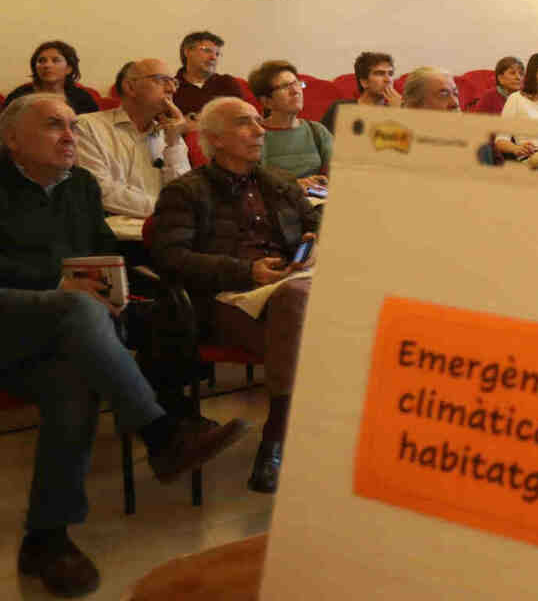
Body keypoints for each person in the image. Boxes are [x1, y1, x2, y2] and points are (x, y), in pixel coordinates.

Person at [0, 94, 247, 598]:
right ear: (12, 140)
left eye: (73, 126)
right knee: (78, 309)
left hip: (62, 331)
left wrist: (109, 285)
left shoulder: (81, 185)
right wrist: (62, 284)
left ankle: (47, 539)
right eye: (54, 126)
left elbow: (101, 249)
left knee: (75, 382)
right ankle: (160, 431)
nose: (70, 136)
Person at [151, 97, 321, 495]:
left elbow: (317, 221)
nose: (260, 131)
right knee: (302, 305)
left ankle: (282, 439)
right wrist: (247, 271)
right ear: (215, 139)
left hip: (289, 287)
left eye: (259, 122)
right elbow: (171, 258)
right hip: (228, 296)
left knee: (310, 298)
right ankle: (277, 439)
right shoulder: (185, 191)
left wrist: (313, 240)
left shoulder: (279, 183)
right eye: (246, 123)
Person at [73, 58, 190, 217]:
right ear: (130, 87)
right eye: (162, 80)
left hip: (163, 226)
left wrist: (174, 143)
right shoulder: (88, 126)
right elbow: (101, 191)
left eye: (174, 82)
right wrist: (165, 210)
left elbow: (183, 194)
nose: (172, 89)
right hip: (111, 228)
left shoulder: (170, 134)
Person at [249, 61, 332, 191]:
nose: (295, 91)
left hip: (317, 198)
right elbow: (251, 183)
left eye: (296, 83)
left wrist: (326, 180)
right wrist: (294, 185)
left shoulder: (317, 131)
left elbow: (342, 172)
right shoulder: (255, 135)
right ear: (267, 101)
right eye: (284, 87)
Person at [3, 40, 98, 114]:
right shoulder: (19, 95)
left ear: (69, 68)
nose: (47, 65)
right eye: (41, 61)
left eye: (55, 60)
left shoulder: (82, 98)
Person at [173, 31, 250, 118]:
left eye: (217, 54)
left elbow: (242, 117)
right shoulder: (172, 87)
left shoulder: (227, 83)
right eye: (207, 51)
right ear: (187, 51)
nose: (213, 57)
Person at [321, 51, 401, 131]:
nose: (388, 80)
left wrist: (400, 113)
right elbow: (322, 137)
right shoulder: (340, 108)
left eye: (390, 74)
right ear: (364, 82)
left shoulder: (398, 109)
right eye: (380, 74)